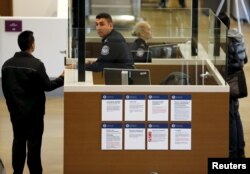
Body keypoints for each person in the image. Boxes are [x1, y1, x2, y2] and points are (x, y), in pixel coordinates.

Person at [1, 30, 64, 174]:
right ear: (32, 45)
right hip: (34, 114)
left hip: (16, 113)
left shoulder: (6, 65)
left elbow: (5, 89)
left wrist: (12, 107)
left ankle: (17, 171)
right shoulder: (36, 64)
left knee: (18, 141)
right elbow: (48, 86)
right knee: (34, 145)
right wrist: (62, 78)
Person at [218, 12, 247, 158]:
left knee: (230, 118)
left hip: (229, 82)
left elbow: (224, 65)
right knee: (236, 115)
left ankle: (232, 154)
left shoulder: (224, 41)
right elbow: (245, 59)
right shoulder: (237, 37)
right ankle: (240, 151)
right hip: (237, 81)